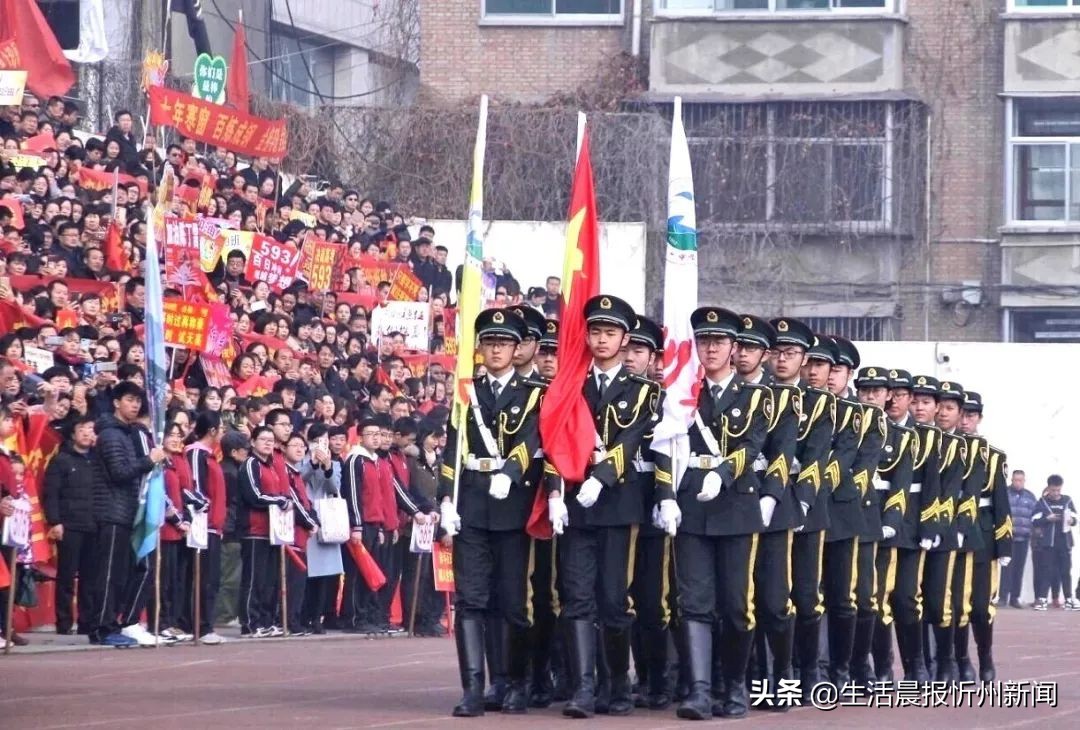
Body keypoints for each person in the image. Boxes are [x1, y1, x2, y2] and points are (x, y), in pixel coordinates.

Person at [655, 306, 770, 720]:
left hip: (736, 503)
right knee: (695, 602)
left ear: (734, 348)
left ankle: (734, 685)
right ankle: (700, 690)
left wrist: (722, 474)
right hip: (691, 505)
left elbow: (753, 444)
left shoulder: (757, 396)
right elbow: (666, 444)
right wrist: (666, 494)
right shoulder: (681, 393)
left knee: (737, 605)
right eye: (704, 341)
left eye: (719, 342)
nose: (711, 349)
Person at [439, 308, 544, 717]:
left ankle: (512, 682)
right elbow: (453, 450)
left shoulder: (534, 392)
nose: (496, 349)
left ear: (517, 348)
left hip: (514, 503)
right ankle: (472, 687)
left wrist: (513, 471)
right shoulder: (465, 394)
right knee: (471, 600)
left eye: (503, 343)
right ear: (479, 348)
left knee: (513, 601)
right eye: (489, 342)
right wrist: (447, 499)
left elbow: (534, 436)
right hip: (473, 502)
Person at [735, 315, 800, 710]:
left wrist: (771, 495)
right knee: (741, 601)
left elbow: (783, 454)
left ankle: (783, 677)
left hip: (771, 509)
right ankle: (750, 679)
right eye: (738, 346)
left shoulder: (781, 398)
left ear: (765, 354)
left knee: (775, 602)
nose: (742, 354)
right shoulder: (717, 393)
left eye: (750, 347)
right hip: (731, 506)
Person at [88, 382, 168, 648]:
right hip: (110, 511)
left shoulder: (126, 433)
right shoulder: (111, 434)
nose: (134, 405)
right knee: (108, 574)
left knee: (118, 574)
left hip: (124, 511)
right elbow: (119, 472)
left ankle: (110, 624)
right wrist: (149, 460)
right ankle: (100, 627)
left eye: (137, 401)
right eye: (129, 399)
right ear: (116, 402)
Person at [623, 315, 671, 711]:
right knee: (628, 598)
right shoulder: (609, 393)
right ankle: (638, 674)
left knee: (657, 600)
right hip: (622, 508)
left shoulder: (667, 400)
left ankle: (662, 675)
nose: (628, 357)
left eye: (636, 351)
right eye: (625, 349)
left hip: (657, 509)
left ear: (654, 357)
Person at [957, 391, 1013, 681]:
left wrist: (1004, 544)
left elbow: (1001, 502)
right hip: (952, 531)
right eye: (961, 414)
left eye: (971, 415)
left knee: (980, 606)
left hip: (983, 534)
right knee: (953, 605)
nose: (964, 421)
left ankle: (985, 657)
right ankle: (961, 661)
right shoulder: (945, 448)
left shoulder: (993, 456)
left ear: (979, 418)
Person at [821, 336, 866, 689]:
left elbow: (851, 463)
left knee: (841, 596)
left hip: (840, 511)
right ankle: (816, 668)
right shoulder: (803, 405)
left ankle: (841, 668)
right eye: (825, 368)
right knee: (806, 594)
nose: (830, 376)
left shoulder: (860, 416)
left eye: (837, 369)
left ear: (849, 373)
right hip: (803, 508)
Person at [922, 379, 968, 682]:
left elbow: (955, 492)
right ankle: (925, 664)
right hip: (915, 527)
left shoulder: (960, 446)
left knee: (941, 600)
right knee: (915, 601)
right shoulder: (918, 437)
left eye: (950, 408)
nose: (943, 413)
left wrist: (938, 523)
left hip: (946, 527)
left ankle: (947, 660)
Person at [43, 414, 98, 636]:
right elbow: (51, 494)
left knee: (90, 578)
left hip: (93, 525)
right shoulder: (62, 460)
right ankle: (64, 623)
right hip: (69, 525)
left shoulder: (98, 461)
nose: (86, 433)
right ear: (73, 434)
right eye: (82, 429)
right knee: (66, 576)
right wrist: (55, 521)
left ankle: (87, 622)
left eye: (90, 429)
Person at [237, 425, 292, 638]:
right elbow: (254, 496)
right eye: (263, 439)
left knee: (269, 580)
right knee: (253, 579)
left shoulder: (272, 466)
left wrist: (283, 500)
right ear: (253, 442)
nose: (268, 443)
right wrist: (279, 500)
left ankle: (266, 620)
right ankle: (250, 623)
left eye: (271, 440)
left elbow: (279, 492)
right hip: (254, 529)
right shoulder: (251, 464)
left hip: (272, 531)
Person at [184, 412, 228, 644]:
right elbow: (196, 488)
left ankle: (206, 624)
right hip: (203, 524)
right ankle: (200, 625)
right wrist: (204, 512)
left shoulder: (210, 456)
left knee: (212, 578)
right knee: (203, 577)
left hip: (214, 526)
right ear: (211, 431)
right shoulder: (195, 453)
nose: (222, 432)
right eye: (220, 428)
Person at [300, 422, 343, 635]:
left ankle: (318, 616)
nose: (322, 445)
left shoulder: (335, 464)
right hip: (308, 517)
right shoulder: (302, 461)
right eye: (318, 441)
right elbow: (300, 480)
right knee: (307, 572)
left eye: (325, 441)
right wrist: (314, 464)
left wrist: (327, 467)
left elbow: (334, 488)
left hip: (328, 518)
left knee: (325, 574)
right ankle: (303, 615)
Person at [1031, 475, 1079, 611]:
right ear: (1048, 488)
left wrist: (1072, 520)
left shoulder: (1067, 500)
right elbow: (1034, 520)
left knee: (1065, 571)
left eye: (1058, 490)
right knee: (1046, 571)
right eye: (1053, 490)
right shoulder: (1042, 502)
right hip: (1048, 543)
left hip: (1065, 542)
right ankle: (1042, 599)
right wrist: (1048, 518)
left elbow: (1075, 517)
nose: (1056, 493)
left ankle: (1069, 599)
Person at [1001, 469, 1036, 608]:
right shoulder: (1004, 494)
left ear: (1024, 481)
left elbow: (1035, 516)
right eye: (1015, 480)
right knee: (1006, 568)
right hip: (1007, 537)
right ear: (1011, 480)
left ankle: (1015, 598)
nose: (1018, 482)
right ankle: (1003, 597)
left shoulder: (1030, 496)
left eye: (1020, 480)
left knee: (1018, 569)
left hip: (1024, 538)